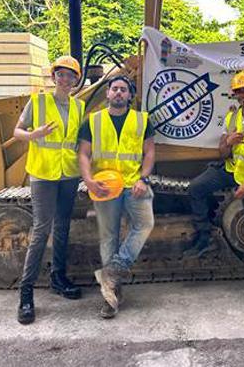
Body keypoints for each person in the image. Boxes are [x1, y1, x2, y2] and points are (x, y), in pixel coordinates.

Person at [185, 70, 244, 305]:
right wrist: (228, 142)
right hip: (231, 169)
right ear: (235, 95)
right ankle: (204, 236)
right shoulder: (231, 118)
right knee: (196, 188)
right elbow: (222, 152)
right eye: (239, 91)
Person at [13, 55, 85, 325]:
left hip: (68, 174)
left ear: (76, 80)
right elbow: (17, 131)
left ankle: (58, 277)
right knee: (41, 230)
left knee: (63, 226)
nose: (65, 79)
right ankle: (26, 292)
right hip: (43, 174)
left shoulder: (78, 106)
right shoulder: (39, 102)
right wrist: (33, 135)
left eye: (70, 75)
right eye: (61, 74)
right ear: (54, 77)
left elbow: (78, 141)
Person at [77, 75, 155, 319]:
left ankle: (113, 270)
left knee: (145, 223)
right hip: (105, 186)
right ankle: (111, 295)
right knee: (108, 236)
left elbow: (150, 151)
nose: (119, 93)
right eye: (115, 89)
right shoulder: (94, 121)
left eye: (123, 90)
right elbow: (83, 154)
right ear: (108, 94)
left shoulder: (141, 120)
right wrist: (88, 180)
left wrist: (144, 178)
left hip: (134, 184)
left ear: (130, 95)